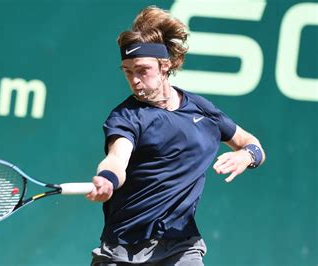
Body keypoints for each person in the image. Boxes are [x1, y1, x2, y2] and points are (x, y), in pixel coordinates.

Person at [85, 5, 266, 266]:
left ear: (164, 66)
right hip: (124, 249)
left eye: (142, 70)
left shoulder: (202, 111)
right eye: (127, 71)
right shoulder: (126, 117)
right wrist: (107, 179)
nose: (135, 80)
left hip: (182, 247)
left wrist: (246, 156)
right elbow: (116, 159)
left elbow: (253, 145)